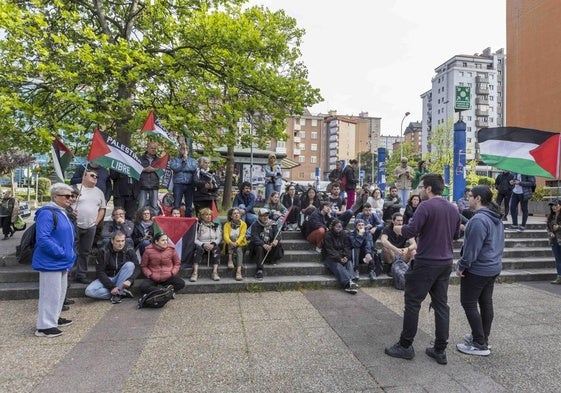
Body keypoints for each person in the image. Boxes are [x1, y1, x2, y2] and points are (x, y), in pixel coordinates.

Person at [385, 173, 461, 365]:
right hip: (445, 263)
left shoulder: (425, 205)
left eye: (420, 187)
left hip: (426, 262)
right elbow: (455, 235)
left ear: (428, 188)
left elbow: (410, 230)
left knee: (412, 303)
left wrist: (397, 230)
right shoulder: (453, 208)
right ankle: (440, 349)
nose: (418, 190)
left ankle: (405, 346)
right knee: (441, 305)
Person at [455, 186, 504, 356]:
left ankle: (479, 343)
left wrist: (461, 266)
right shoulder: (495, 217)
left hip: (478, 268)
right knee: (485, 303)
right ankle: (483, 338)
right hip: (493, 266)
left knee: (469, 303)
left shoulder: (479, 220)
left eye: (469, 196)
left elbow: (471, 250)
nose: (467, 199)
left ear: (477, 198)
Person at [33, 183, 76, 338]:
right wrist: (61, 252)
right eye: (67, 196)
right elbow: (43, 238)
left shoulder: (61, 212)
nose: (71, 198)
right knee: (49, 294)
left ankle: (54, 318)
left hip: (61, 260)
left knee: (59, 293)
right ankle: (44, 326)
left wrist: (68, 255)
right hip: (51, 261)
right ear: (55, 196)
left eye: (72, 196)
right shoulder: (47, 213)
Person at [85, 231, 140, 304]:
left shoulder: (129, 250)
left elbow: (137, 267)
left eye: (123, 241)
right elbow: (100, 271)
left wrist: (130, 280)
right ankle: (120, 293)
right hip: (107, 278)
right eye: (118, 241)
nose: (121, 244)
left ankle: (118, 292)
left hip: (121, 277)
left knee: (130, 265)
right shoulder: (103, 251)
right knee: (89, 291)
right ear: (112, 241)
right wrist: (112, 287)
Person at [72, 168, 107, 285]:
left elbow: (102, 209)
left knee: (85, 252)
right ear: (84, 176)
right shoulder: (75, 188)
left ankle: (81, 275)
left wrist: (96, 222)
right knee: (71, 250)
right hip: (74, 225)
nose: (95, 178)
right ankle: (67, 274)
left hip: (90, 226)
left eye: (96, 177)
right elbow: (65, 203)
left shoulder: (99, 192)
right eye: (92, 176)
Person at [322, 219, 358, 294]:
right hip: (330, 258)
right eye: (337, 227)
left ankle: (350, 283)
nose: (339, 228)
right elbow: (330, 250)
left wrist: (346, 257)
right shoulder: (328, 235)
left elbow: (347, 247)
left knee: (349, 263)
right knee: (338, 266)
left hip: (342, 256)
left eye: (340, 227)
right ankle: (349, 283)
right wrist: (339, 258)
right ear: (333, 227)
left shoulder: (344, 234)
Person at [249, 208, 283, 280]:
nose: (265, 217)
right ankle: (259, 270)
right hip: (260, 248)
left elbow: (277, 233)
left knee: (277, 244)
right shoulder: (255, 224)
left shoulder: (273, 223)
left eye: (266, 215)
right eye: (262, 216)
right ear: (259, 217)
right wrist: (263, 244)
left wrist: (276, 240)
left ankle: (271, 259)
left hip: (270, 247)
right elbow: (254, 237)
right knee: (259, 247)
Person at [190, 207, 222, 282]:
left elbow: (219, 238)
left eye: (210, 215)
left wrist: (213, 244)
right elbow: (194, 239)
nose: (208, 216)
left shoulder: (216, 225)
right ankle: (195, 272)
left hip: (212, 245)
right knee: (198, 249)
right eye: (206, 215)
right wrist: (203, 244)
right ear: (201, 216)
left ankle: (215, 272)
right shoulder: (198, 226)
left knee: (217, 249)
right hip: (201, 244)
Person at [170, 143, 198, 217]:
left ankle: (188, 220)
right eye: (183, 149)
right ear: (179, 150)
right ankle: (176, 219)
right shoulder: (175, 160)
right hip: (178, 184)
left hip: (189, 184)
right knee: (177, 204)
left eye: (186, 149)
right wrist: (183, 162)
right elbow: (175, 168)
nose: (185, 151)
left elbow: (193, 168)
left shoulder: (192, 160)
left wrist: (182, 166)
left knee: (189, 205)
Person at [223, 207, 248, 281]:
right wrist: (231, 242)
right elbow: (225, 235)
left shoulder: (243, 224)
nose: (237, 215)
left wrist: (237, 243)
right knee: (232, 239)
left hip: (240, 244)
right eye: (234, 213)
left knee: (239, 249)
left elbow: (242, 235)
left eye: (238, 213)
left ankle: (238, 270)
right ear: (231, 216)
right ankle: (231, 261)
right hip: (230, 243)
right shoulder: (227, 225)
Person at [138, 142, 161, 212]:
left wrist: (155, 170)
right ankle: (140, 222)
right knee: (141, 205)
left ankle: (154, 222)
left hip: (154, 185)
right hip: (142, 185)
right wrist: (145, 169)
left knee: (154, 206)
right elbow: (136, 169)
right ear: (147, 148)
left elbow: (162, 171)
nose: (153, 150)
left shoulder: (159, 160)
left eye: (155, 148)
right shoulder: (140, 159)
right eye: (151, 148)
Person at [546, 199, 561, 285]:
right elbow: (548, 228)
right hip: (555, 241)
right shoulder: (550, 217)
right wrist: (550, 233)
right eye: (552, 205)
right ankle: (559, 277)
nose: (554, 207)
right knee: (558, 259)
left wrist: (559, 227)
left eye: (556, 205)